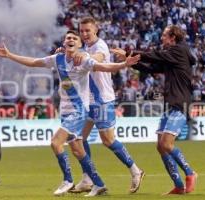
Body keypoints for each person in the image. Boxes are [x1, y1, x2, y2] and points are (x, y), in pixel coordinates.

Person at [0, 30, 140, 196]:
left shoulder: (83, 60)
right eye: (68, 37)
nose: (70, 40)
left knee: (56, 142)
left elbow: (104, 66)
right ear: (64, 43)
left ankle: (67, 180)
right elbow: (33, 62)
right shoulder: (58, 59)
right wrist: (10, 55)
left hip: (79, 110)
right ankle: (98, 184)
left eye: (74, 38)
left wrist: (124, 65)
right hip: (65, 111)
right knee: (77, 149)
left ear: (79, 45)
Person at [111, 25, 198, 195]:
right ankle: (179, 185)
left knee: (166, 144)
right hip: (170, 104)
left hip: (180, 104)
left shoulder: (179, 50)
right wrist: (130, 62)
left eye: (164, 35)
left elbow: (154, 55)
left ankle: (190, 172)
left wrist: (129, 52)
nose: (162, 38)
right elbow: (151, 67)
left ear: (173, 37)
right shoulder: (173, 56)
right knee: (160, 146)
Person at [69, 16, 145, 194]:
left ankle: (136, 170)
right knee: (78, 138)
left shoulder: (100, 46)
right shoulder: (85, 47)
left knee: (108, 140)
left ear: (96, 30)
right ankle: (87, 178)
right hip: (89, 101)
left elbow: (99, 57)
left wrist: (84, 56)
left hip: (102, 100)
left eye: (88, 30)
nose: (85, 34)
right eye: (82, 31)